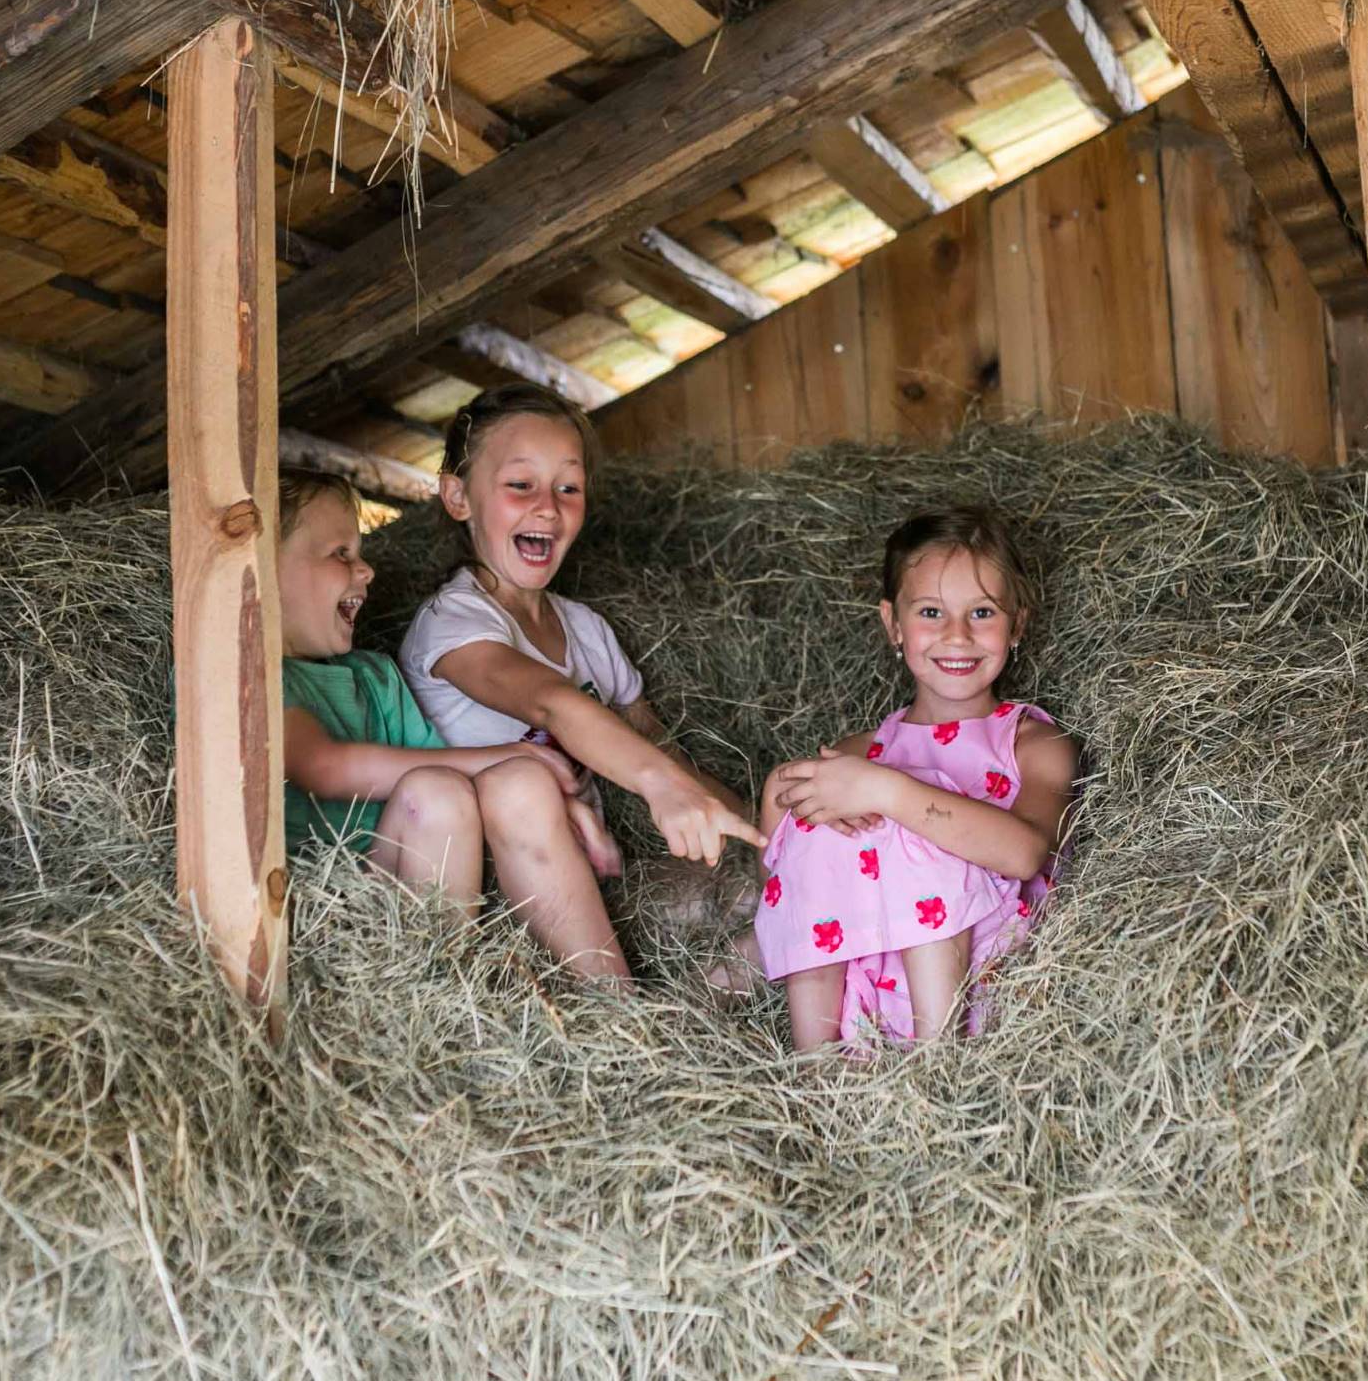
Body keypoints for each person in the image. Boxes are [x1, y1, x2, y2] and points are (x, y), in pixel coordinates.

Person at [277, 469, 631, 982]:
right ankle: (436, 997)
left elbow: (469, 780)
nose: (367, 571)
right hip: (311, 923)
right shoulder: (246, 677)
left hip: (400, 886)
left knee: (509, 782)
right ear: (258, 567)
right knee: (435, 792)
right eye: (341, 554)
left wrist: (558, 799)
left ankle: (616, 1008)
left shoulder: (374, 676)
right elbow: (324, 768)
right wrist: (505, 754)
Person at [398, 382, 765, 871]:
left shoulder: (587, 630)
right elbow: (552, 703)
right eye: (521, 485)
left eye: (568, 487)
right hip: (490, 890)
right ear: (458, 495)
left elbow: (657, 745)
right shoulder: (452, 623)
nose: (549, 506)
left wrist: (757, 832)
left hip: (589, 872)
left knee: (749, 905)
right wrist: (660, 787)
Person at [752, 508, 1079, 1050]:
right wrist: (778, 797)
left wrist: (887, 792)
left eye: (982, 613)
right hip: (863, 973)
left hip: (976, 979)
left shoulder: (1031, 745)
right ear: (893, 625)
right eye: (931, 611)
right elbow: (791, 883)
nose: (956, 635)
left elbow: (1025, 856)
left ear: (1017, 625)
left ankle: (937, 1065)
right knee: (811, 827)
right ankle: (813, 1064)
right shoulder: (860, 753)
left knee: (910, 829)